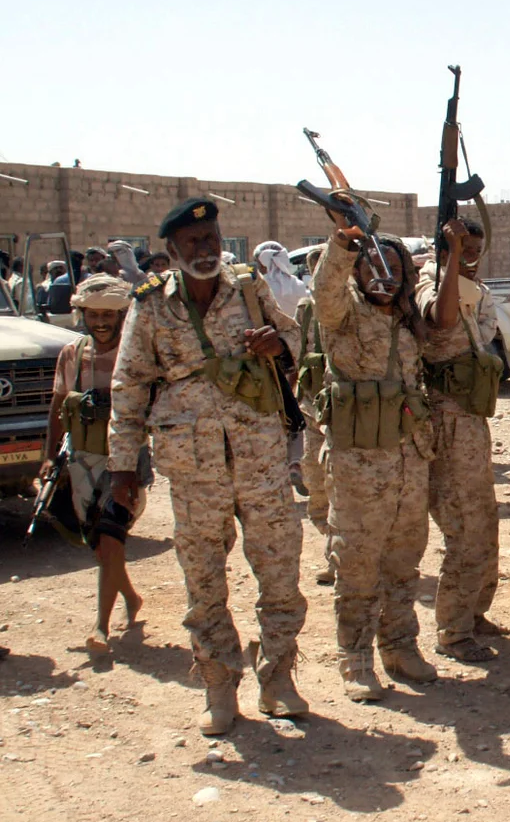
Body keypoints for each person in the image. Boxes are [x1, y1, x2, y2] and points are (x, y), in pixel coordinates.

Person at [108, 198, 307, 734]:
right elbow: (128, 388)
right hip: (194, 468)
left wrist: (278, 342)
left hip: (261, 458)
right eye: (194, 242)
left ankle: (279, 677)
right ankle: (219, 686)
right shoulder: (150, 306)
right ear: (171, 252)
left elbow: (298, 336)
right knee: (203, 580)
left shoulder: (248, 289)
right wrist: (122, 468)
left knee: (280, 569)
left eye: (213, 238)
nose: (207, 248)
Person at [312, 213, 438, 700]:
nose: (382, 275)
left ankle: (400, 645)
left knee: (405, 558)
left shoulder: (408, 324)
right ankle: (355, 656)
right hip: (359, 462)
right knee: (358, 560)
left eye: (393, 266)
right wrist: (344, 244)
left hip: (409, 457)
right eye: (371, 267)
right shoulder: (343, 316)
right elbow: (326, 289)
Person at [43, 274, 148, 654]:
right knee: (101, 545)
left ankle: (100, 628)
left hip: (125, 460)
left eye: (109, 315)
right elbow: (57, 407)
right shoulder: (73, 354)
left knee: (109, 533)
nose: (101, 322)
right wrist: (48, 455)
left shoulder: (135, 353)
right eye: (93, 314)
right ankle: (132, 599)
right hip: (82, 460)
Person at [417, 217, 506, 662]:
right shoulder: (429, 284)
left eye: (475, 246)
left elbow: (486, 333)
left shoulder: (479, 289)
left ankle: (474, 611)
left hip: (471, 421)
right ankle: (452, 629)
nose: (470, 253)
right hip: (445, 422)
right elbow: (443, 319)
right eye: (460, 245)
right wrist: (450, 261)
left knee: (485, 521)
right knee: (462, 527)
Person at [292, 246, 334, 587]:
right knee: (315, 482)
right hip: (312, 409)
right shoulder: (306, 309)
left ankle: (339, 560)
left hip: (346, 415)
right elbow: (295, 355)